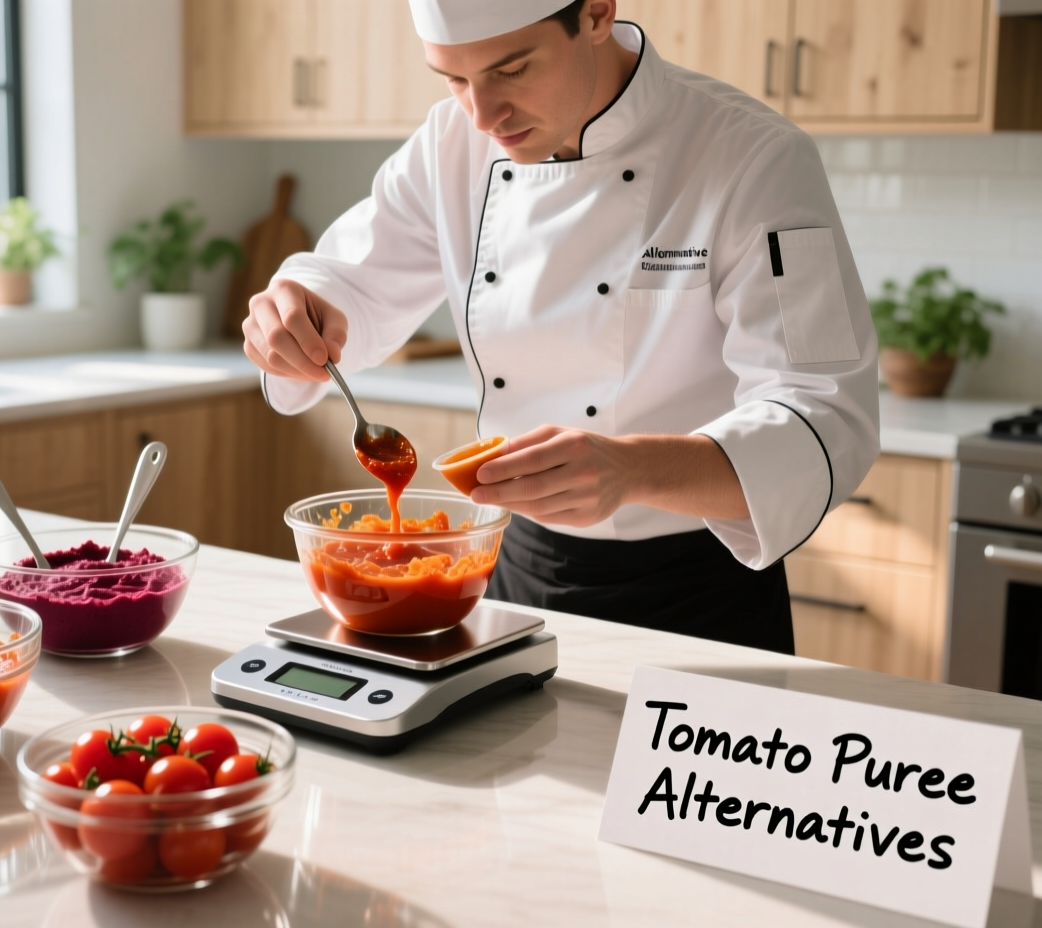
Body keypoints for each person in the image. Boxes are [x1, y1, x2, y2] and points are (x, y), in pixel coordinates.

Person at [242, 0, 879, 654]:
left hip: (701, 594)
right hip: (516, 575)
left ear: (597, 13)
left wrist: (632, 469)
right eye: (453, 80)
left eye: (511, 70)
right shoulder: (450, 143)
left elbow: (824, 412)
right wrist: (296, 313)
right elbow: (351, 276)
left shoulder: (753, 155)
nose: (484, 117)